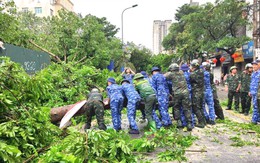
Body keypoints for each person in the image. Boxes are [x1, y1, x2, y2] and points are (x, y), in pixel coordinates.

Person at [164, 63, 193, 131]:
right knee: (187, 108)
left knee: (176, 107)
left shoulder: (171, 74)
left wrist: (168, 72)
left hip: (177, 93)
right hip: (186, 93)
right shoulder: (182, 72)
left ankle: (179, 123)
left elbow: (164, 76)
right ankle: (189, 124)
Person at [190, 59, 206, 128]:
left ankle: (201, 123)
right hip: (202, 92)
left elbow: (190, 78)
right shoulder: (202, 72)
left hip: (196, 93)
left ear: (193, 67)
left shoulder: (193, 74)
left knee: (196, 107)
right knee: (200, 107)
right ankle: (204, 121)